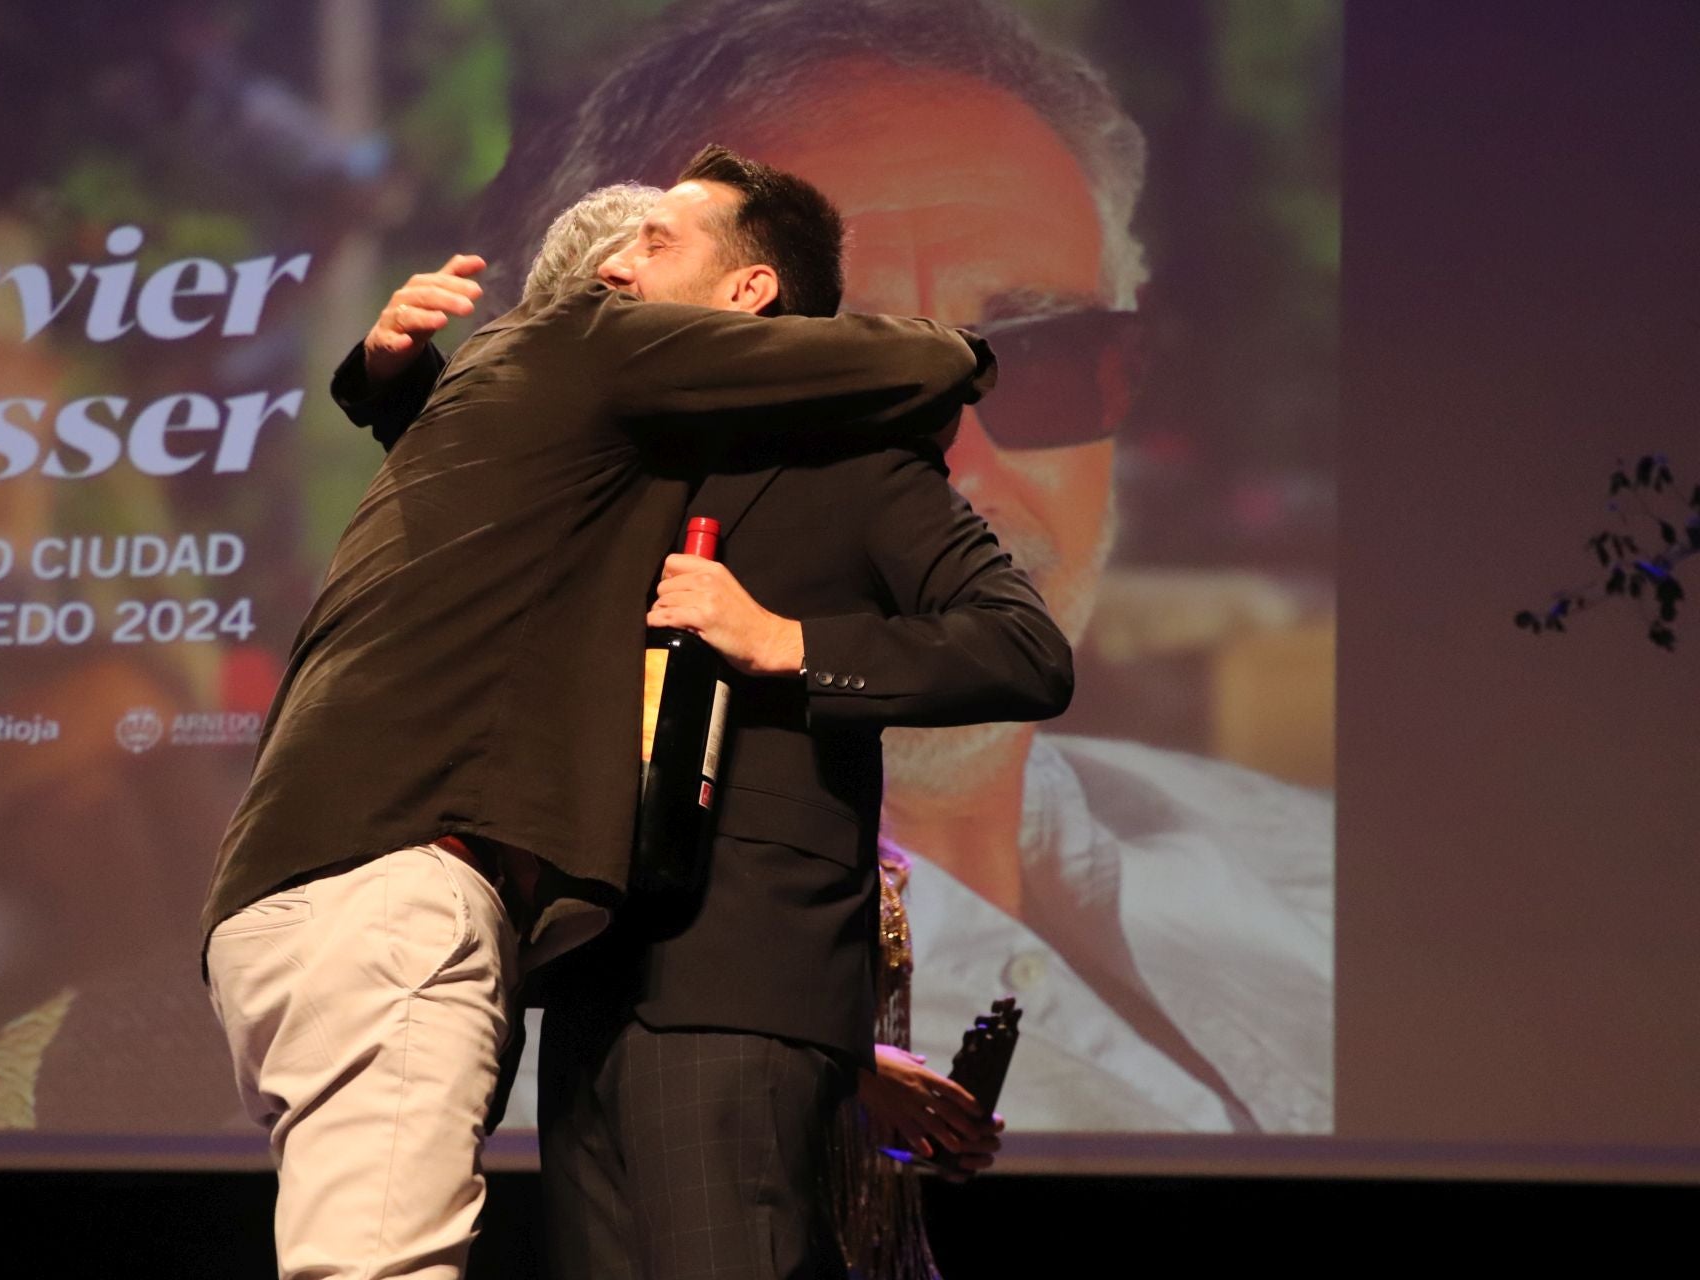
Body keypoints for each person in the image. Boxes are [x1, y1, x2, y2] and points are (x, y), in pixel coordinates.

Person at [478, 0, 1332, 1136]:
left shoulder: (1307, 860)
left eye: (1038, 357)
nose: (952, 462)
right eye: (825, 375)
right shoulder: (523, 1042)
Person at [200, 155, 993, 1278]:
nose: (617, 270)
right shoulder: (590, 339)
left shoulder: (541, 452)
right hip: (391, 893)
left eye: (655, 244)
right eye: (615, 260)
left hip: (334, 896)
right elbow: (903, 359)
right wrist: (973, 348)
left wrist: (386, 376)